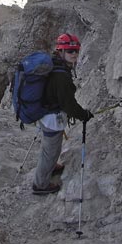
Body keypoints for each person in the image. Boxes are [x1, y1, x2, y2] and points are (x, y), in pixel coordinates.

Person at [32, 33, 94, 195]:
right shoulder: (61, 75)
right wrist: (84, 115)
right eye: (69, 51)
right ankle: (40, 184)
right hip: (52, 117)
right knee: (51, 151)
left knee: (49, 147)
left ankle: (51, 167)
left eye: (76, 51)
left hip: (45, 113)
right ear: (61, 51)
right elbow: (69, 105)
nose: (74, 54)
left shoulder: (54, 64)